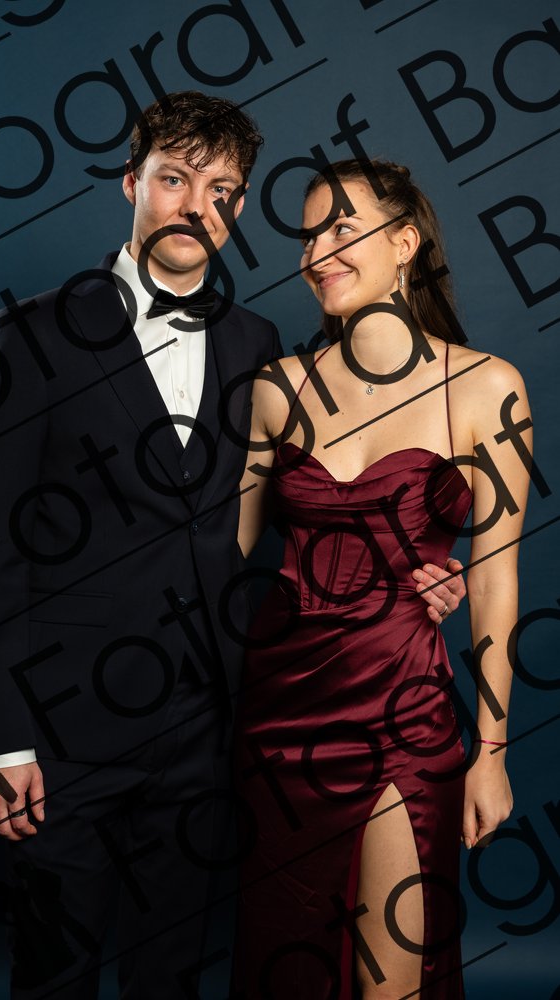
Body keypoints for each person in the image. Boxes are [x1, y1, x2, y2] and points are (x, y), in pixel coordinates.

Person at [0, 92, 466, 999]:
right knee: (52, 975)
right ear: (132, 183)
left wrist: (411, 566)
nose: (196, 206)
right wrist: (3, 742)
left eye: (222, 191)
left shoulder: (255, 345)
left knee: (173, 975)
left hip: (208, 729)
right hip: (61, 737)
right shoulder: (31, 333)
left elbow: (297, 514)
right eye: (176, 179)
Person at [233, 159, 529, 999]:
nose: (316, 253)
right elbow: (215, 560)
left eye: (340, 229)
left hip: (402, 711)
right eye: (306, 237)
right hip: (277, 717)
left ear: (404, 243)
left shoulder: (485, 386)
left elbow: (496, 584)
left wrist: (491, 754)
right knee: (286, 970)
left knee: (391, 981)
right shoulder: (276, 388)